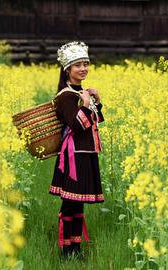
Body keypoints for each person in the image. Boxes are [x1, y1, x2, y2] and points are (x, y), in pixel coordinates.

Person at [49, 41, 105, 260]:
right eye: (78, 65)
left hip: (86, 154)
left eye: (86, 64)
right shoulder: (65, 96)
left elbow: (95, 120)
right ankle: (65, 251)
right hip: (73, 157)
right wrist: (85, 104)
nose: (83, 69)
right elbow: (76, 124)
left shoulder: (81, 92)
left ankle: (76, 249)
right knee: (69, 204)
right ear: (67, 70)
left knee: (78, 203)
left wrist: (96, 102)